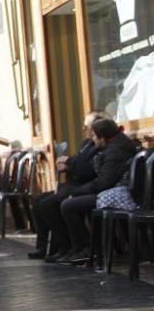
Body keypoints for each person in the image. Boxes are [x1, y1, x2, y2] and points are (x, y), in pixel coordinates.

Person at [55, 116, 136, 265]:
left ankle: (85, 249)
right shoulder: (114, 145)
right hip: (111, 190)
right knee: (67, 201)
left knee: (68, 205)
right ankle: (81, 248)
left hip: (118, 194)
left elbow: (104, 183)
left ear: (103, 138)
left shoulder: (115, 151)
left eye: (94, 136)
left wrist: (78, 192)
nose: (92, 139)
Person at [28, 112, 100, 260]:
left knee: (49, 204)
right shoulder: (86, 143)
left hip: (83, 185)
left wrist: (68, 163)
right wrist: (67, 162)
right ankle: (45, 246)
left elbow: (86, 169)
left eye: (86, 126)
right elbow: (76, 160)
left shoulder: (100, 145)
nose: (84, 129)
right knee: (38, 200)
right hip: (71, 183)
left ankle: (65, 246)